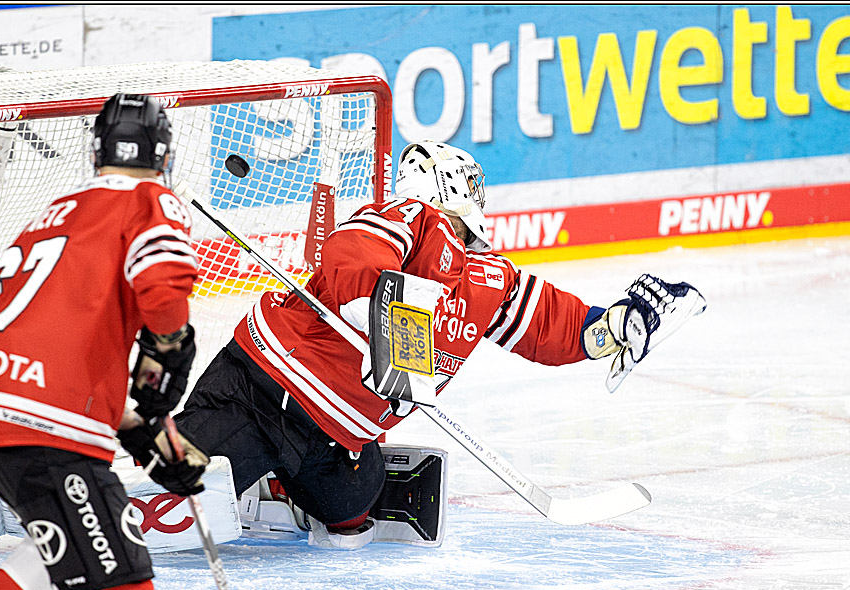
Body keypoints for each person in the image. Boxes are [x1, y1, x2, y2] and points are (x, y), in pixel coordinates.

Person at [119, 139, 705, 548]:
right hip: (260, 388)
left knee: (354, 503)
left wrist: (614, 329)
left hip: (335, 436)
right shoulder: (411, 218)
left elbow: (554, 326)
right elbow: (350, 260)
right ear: (451, 185)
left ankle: (274, 487)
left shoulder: (491, 278)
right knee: (177, 489)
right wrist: (388, 312)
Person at [0, 93, 208, 590]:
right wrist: (166, 361)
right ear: (163, 155)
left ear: (95, 150)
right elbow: (162, 300)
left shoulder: (58, 209)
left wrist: (139, 428)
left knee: (58, 540)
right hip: (41, 418)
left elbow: (54, 338)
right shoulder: (152, 201)